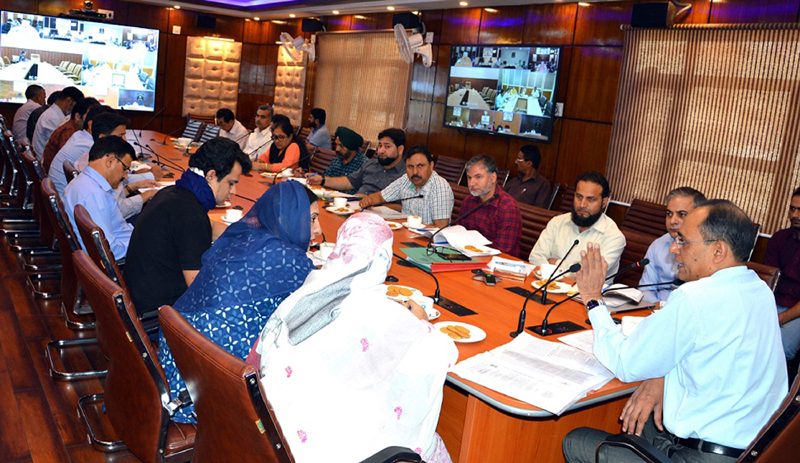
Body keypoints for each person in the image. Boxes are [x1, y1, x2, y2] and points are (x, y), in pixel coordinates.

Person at [564, 200, 788, 463]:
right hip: (755, 450)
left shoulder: (696, 297)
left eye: (683, 241)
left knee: (576, 440)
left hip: (702, 455)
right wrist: (660, 376)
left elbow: (625, 363)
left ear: (718, 251)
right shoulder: (759, 289)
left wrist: (592, 299)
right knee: (642, 414)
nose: (673, 248)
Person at [252, 213, 458, 463]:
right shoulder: (377, 312)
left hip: (274, 436)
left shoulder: (306, 291)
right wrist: (420, 323)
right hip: (326, 446)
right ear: (382, 258)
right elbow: (440, 353)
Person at [157, 180, 320, 423]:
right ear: (289, 219)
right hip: (208, 387)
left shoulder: (243, 236)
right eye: (312, 219)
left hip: (176, 360)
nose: (318, 229)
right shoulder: (290, 260)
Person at [124, 138, 251, 329]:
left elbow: (213, 228)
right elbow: (199, 291)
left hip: (139, 297)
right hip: (158, 314)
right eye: (231, 183)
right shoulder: (191, 214)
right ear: (211, 176)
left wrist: (252, 235)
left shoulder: (174, 192)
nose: (234, 191)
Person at [528, 171, 625, 278]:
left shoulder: (614, 237)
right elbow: (535, 257)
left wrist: (554, 263)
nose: (582, 204)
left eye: (591, 199)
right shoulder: (557, 222)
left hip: (584, 294)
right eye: (579, 197)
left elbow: (589, 276)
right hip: (545, 286)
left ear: (604, 202)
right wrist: (572, 269)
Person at [62, 136, 135, 260]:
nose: (125, 177)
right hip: (123, 258)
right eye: (124, 169)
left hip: (123, 241)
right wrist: (141, 243)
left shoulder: (84, 183)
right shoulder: (94, 195)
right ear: (110, 160)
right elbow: (109, 250)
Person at [359, 145, 454, 229]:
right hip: (407, 234)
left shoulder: (439, 186)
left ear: (431, 166)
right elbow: (381, 196)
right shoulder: (406, 180)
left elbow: (440, 229)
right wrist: (368, 200)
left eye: (420, 166)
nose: (415, 172)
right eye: (410, 167)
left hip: (427, 242)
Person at [639, 187, 706, 304]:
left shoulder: (707, 251)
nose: (672, 221)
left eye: (682, 214)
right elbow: (646, 289)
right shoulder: (658, 245)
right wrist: (658, 311)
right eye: (669, 214)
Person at [306, 127, 406, 197]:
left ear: (400, 149)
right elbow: (348, 181)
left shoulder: (406, 174)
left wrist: (371, 201)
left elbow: (403, 206)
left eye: (387, 146)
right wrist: (322, 180)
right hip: (356, 209)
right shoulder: (370, 164)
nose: (381, 150)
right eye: (380, 146)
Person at [459, 154, 522, 257]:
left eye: (478, 177)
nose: (471, 183)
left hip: (497, 265)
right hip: (469, 257)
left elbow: (502, 252)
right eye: (469, 178)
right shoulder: (469, 201)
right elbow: (460, 234)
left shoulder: (508, 208)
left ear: (493, 178)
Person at [765, 186, 800, 360]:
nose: (794, 215)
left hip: (797, 311)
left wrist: (780, 318)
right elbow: (767, 282)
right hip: (772, 303)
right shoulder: (780, 239)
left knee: (780, 349)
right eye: (792, 209)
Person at [42, 97, 99, 173]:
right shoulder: (70, 131)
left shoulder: (76, 131)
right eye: (90, 115)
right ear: (78, 117)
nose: (95, 119)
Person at [32, 86, 84, 160]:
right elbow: (62, 147)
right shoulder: (54, 118)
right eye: (76, 106)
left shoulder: (53, 113)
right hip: (44, 163)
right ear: (69, 101)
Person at [316, 126, 366, 193]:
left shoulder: (364, 164)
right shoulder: (338, 158)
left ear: (351, 147)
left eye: (341, 146)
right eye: (336, 145)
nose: (337, 149)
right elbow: (325, 177)